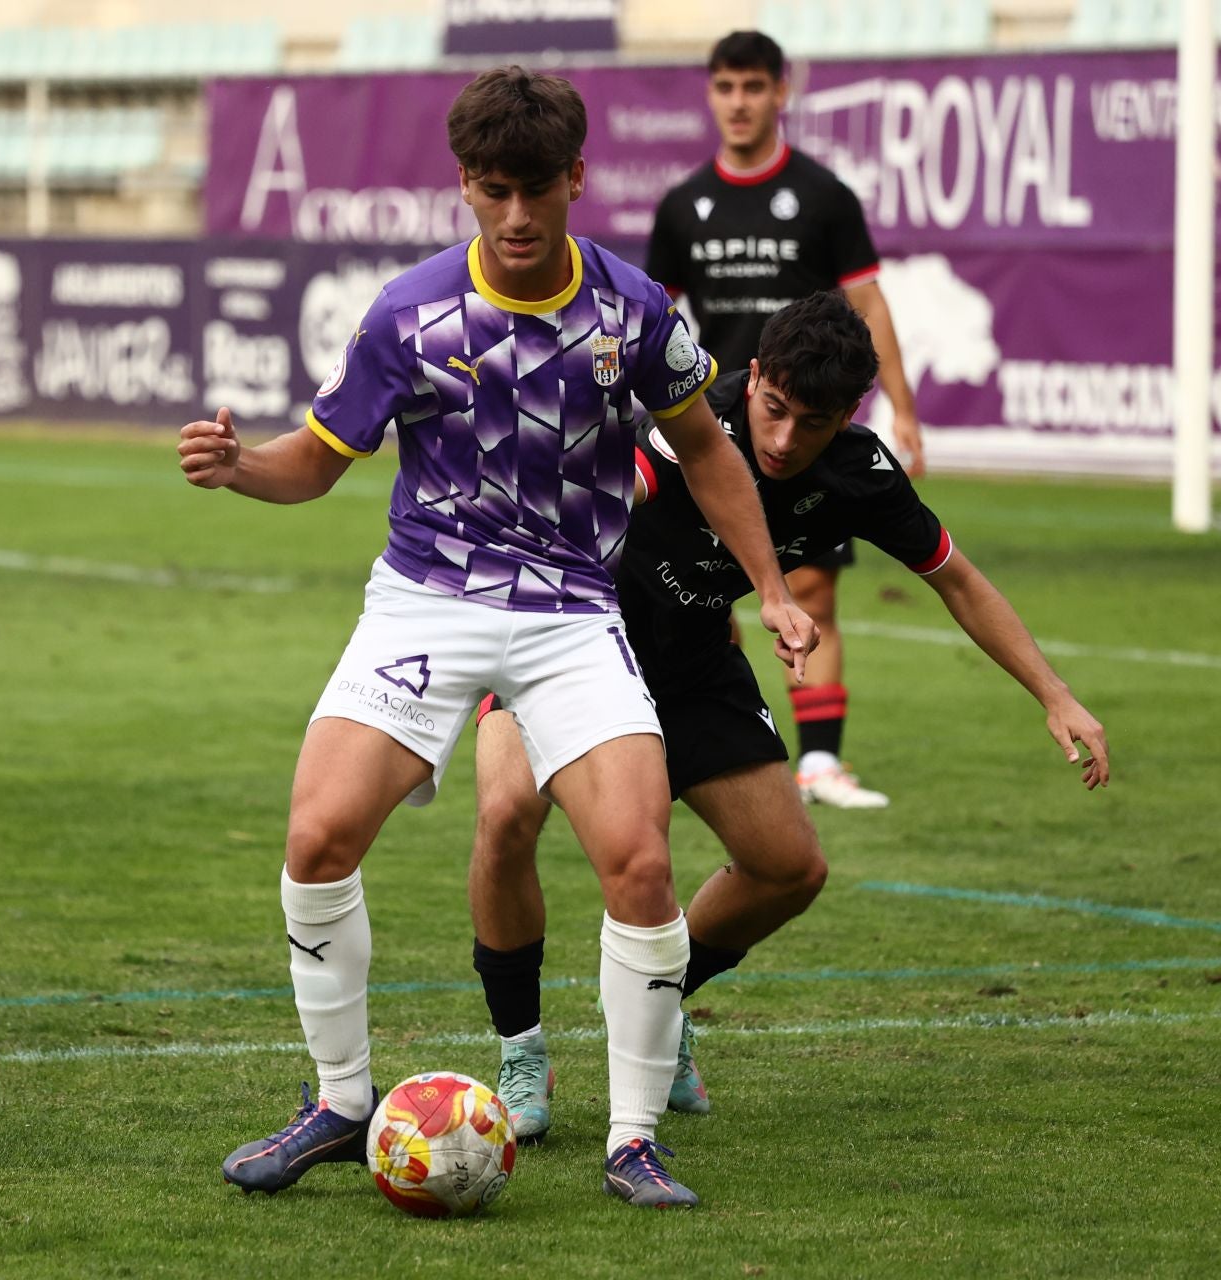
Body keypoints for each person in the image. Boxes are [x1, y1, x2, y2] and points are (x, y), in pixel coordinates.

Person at [178, 66, 817, 1211]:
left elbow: (711, 451)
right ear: (464, 185)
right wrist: (240, 467)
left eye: (535, 190)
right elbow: (319, 460)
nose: (516, 217)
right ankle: (338, 1101)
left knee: (640, 859)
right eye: (491, 191)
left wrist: (768, 583)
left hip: (573, 610)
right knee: (319, 832)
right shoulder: (408, 313)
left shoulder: (634, 311)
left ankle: (631, 1139)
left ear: (577, 178)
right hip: (426, 598)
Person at [470, 292, 1109, 1138]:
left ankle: (656, 1004)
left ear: (847, 415)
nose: (781, 440)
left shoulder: (857, 471)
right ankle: (521, 1052)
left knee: (788, 867)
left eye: (811, 424)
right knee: (508, 809)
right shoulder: (691, 415)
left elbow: (956, 578)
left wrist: (1054, 694)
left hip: (695, 658)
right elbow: (619, 481)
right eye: (772, 409)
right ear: (756, 377)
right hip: (569, 636)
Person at [647, 30, 925, 808]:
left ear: (782, 92)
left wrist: (903, 410)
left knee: (815, 593)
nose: (740, 102)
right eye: (726, 87)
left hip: (804, 438)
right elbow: (653, 321)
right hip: (716, 432)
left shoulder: (823, 196)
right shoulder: (682, 205)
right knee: (704, 599)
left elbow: (867, 303)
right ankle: (727, 733)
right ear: (711, 95)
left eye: (754, 87)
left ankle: (820, 764)